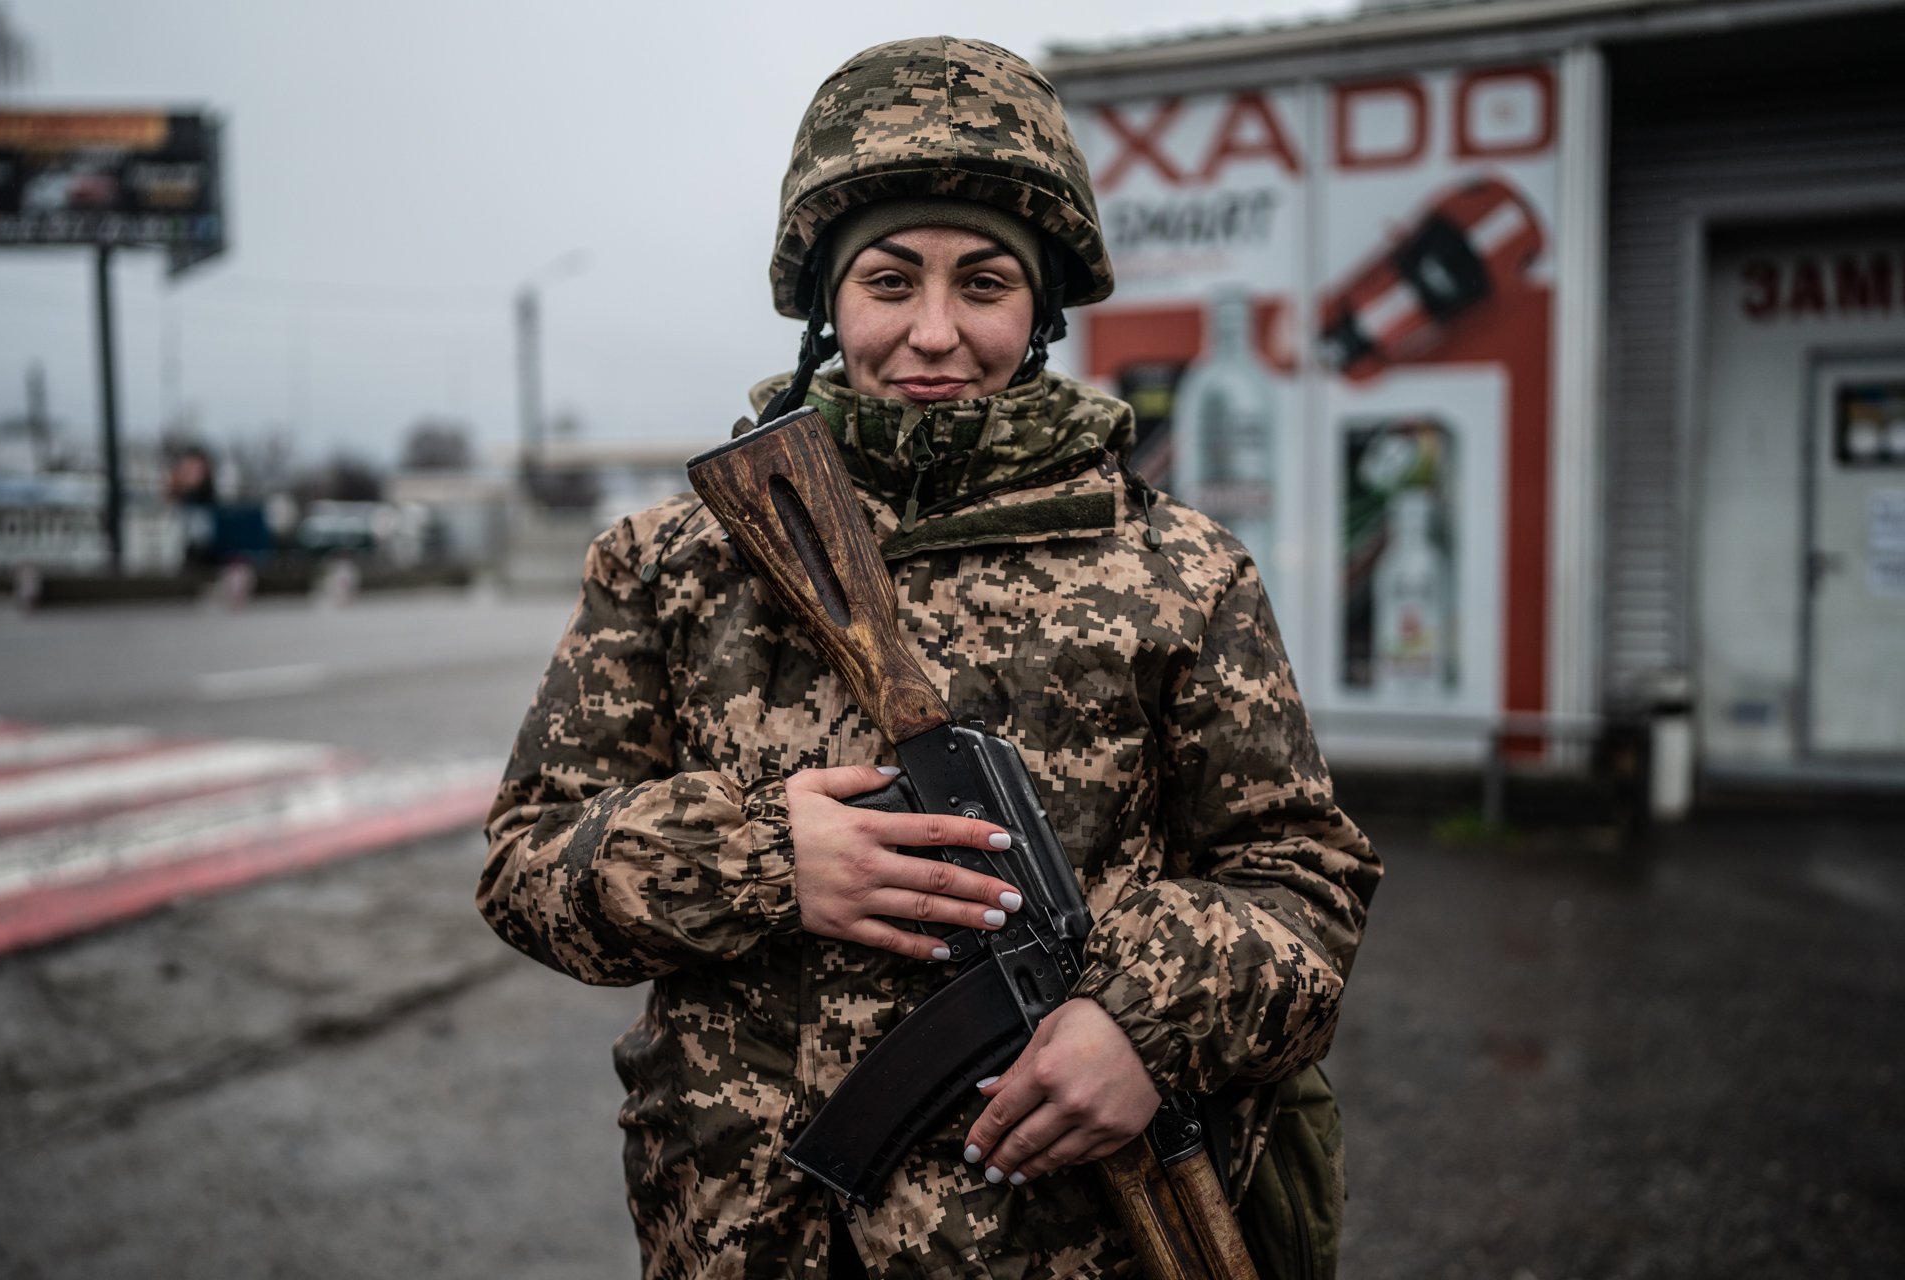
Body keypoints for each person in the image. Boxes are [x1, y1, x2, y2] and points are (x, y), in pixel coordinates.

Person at [478, 35, 1380, 1280]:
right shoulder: (675, 561)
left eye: (986, 283)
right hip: (745, 1235)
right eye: (891, 281)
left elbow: (1303, 880)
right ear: (829, 305)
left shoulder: (1180, 569)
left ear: (1043, 310)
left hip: (1062, 1241)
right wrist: (763, 860)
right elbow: (528, 859)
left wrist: (1142, 1023)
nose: (935, 334)